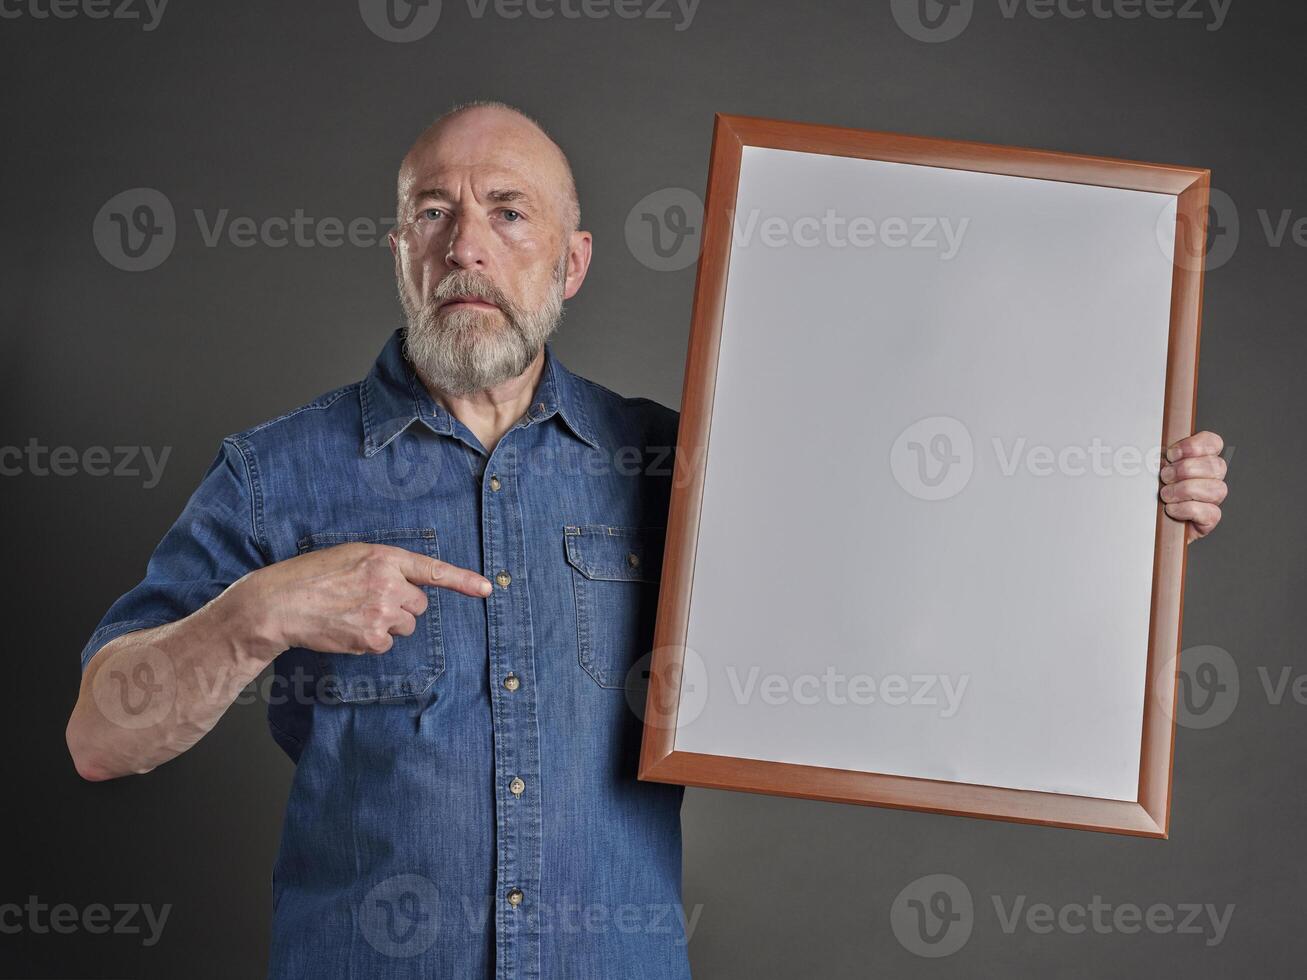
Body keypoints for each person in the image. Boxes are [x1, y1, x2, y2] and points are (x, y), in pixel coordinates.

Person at [65, 100, 1230, 979]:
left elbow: (919, 540)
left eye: (507, 212)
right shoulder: (273, 473)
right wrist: (256, 610)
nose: (467, 243)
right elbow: (100, 737)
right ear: (400, 251)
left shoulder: (675, 463)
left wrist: (1128, 494)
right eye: (434, 211)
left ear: (568, 262)